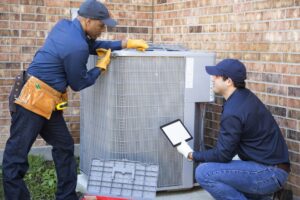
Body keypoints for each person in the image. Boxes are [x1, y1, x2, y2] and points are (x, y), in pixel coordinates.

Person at [2, 0, 148, 199]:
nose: (103, 29)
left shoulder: (65, 26)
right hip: (30, 101)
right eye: (101, 25)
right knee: (15, 159)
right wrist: (100, 67)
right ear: (88, 20)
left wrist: (124, 43)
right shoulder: (76, 45)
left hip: (47, 102)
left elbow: (92, 45)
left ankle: (67, 196)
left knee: (64, 146)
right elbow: (78, 83)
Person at [176, 59, 290, 200]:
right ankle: (269, 196)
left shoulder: (234, 111)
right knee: (224, 167)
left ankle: (268, 194)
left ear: (228, 81)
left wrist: (191, 155)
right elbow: (229, 148)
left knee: (203, 172)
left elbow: (223, 155)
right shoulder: (243, 96)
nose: (212, 78)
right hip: (273, 168)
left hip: (269, 173)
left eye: (216, 76)